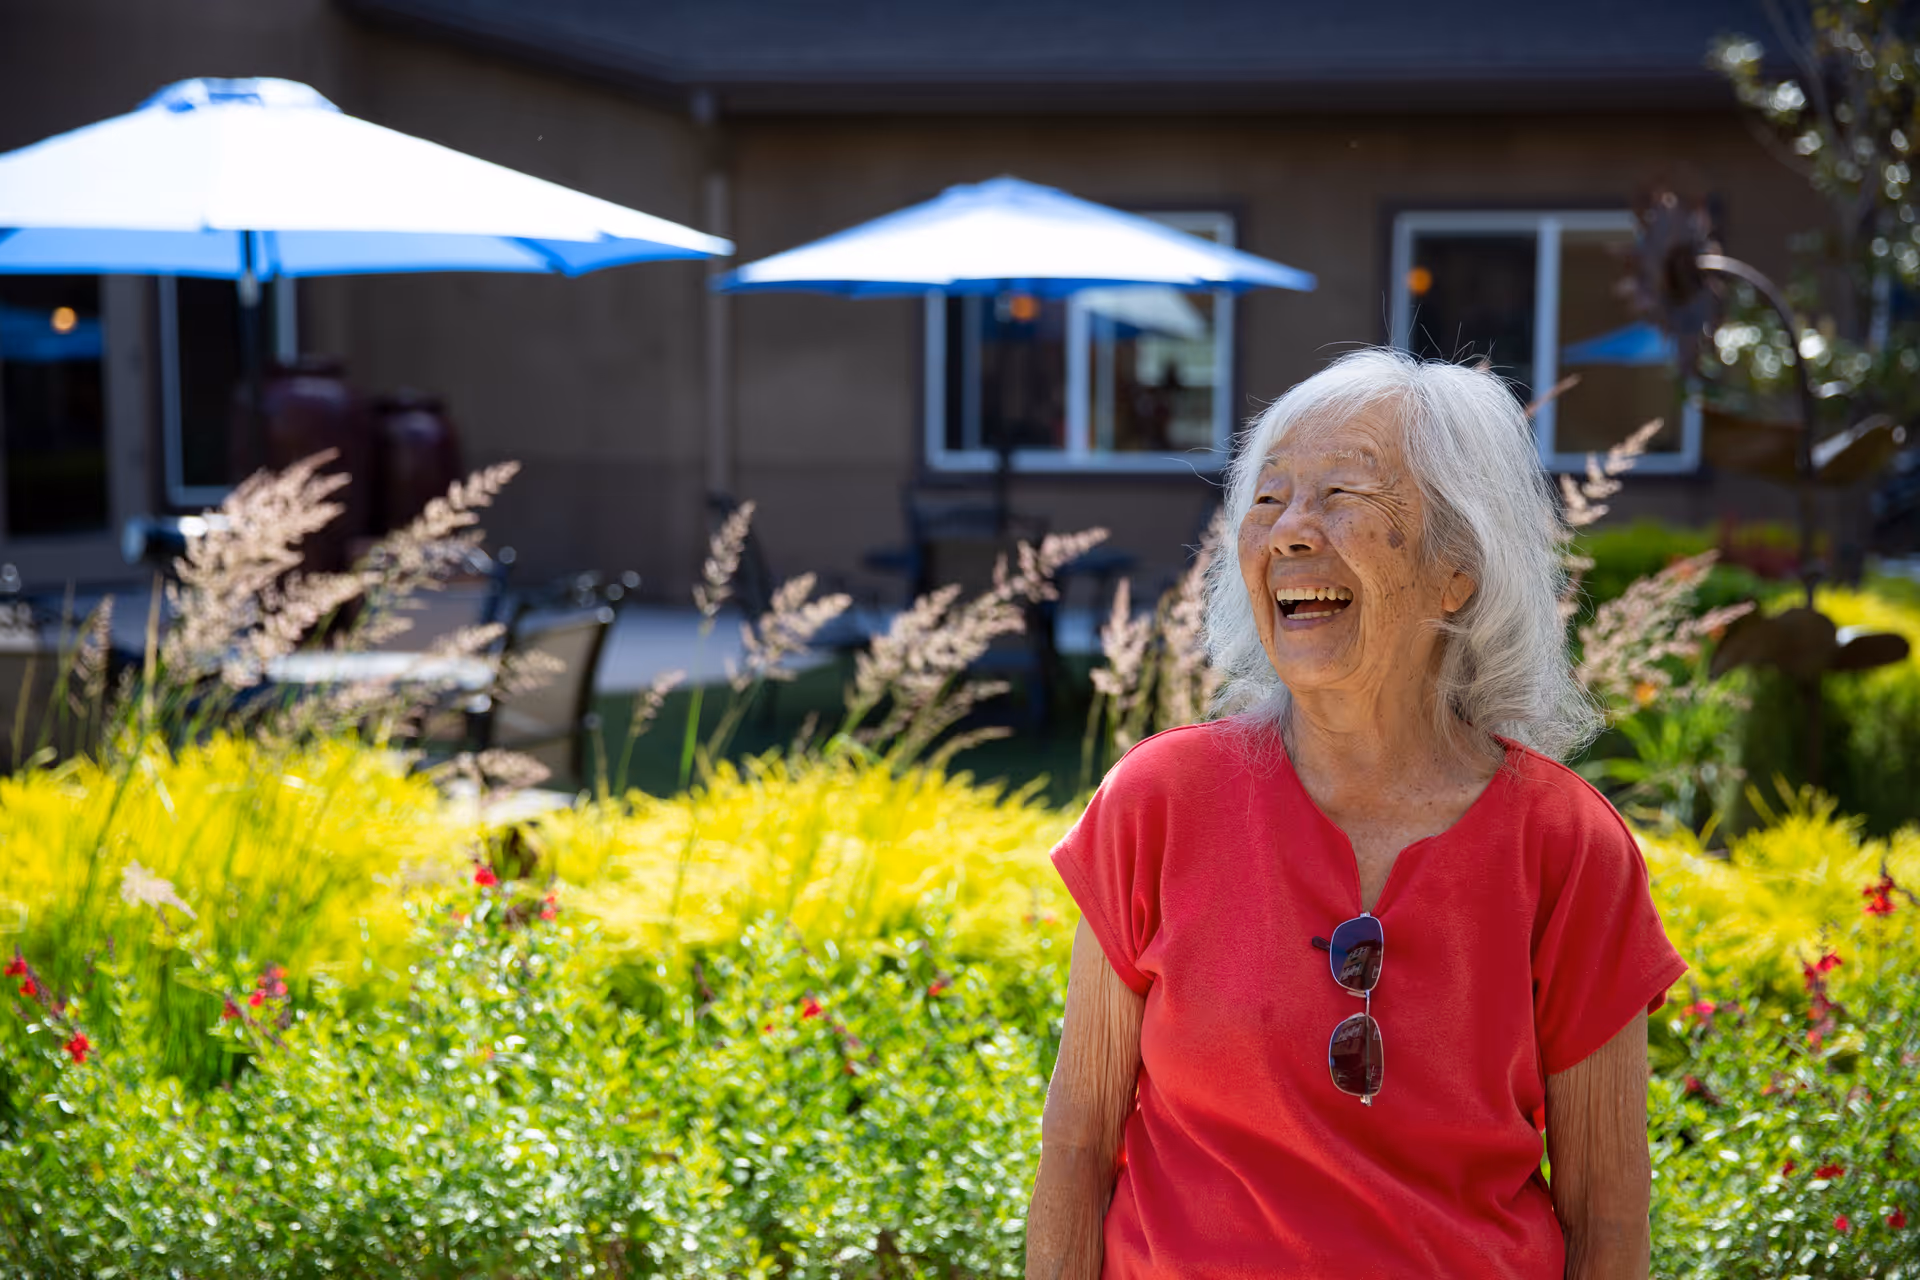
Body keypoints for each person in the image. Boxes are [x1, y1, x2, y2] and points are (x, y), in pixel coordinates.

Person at [1025, 348, 1687, 1280]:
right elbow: (1078, 1146)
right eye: (1266, 499)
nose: (1290, 531)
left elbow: (1607, 1219)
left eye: (1343, 495)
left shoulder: (1566, 847)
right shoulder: (1158, 802)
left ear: (1457, 566)